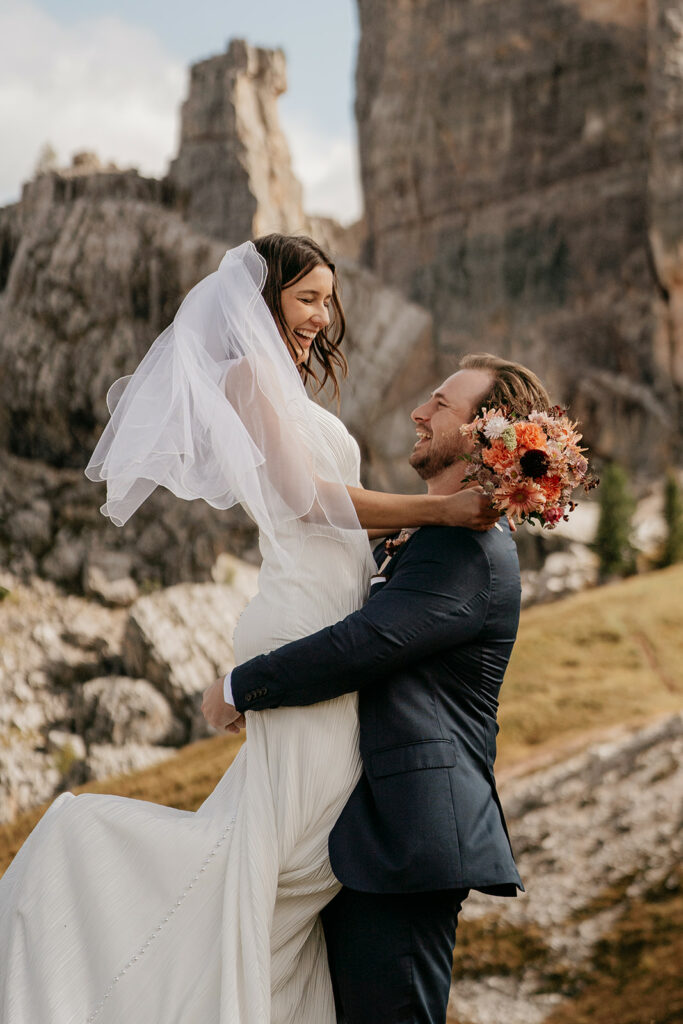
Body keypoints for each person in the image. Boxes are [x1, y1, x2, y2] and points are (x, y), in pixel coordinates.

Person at [0, 235, 498, 1024]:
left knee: (281, 853)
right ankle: (82, 865)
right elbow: (306, 500)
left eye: (327, 300)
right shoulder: (244, 380)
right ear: (262, 300)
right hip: (301, 617)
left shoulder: (282, 393)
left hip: (323, 605)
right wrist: (437, 511)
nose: (321, 316)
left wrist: (393, 541)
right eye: (307, 298)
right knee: (281, 855)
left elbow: (332, 515)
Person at [204, 353, 553, 1024]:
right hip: (366, 837)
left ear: (486, 433)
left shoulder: (468, 553)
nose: (419, 412)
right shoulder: (426, 537)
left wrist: (241, 686)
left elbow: (364, 645)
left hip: (410, 841)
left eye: (441, 405)